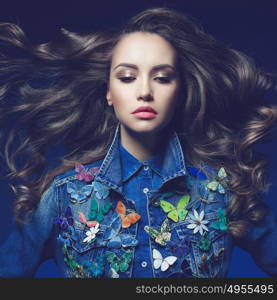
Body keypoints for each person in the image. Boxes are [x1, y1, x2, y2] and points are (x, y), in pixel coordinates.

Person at [0, 7, 276, 278]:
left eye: (162, 78)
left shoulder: (220, 192)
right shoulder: (62, 196)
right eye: (127, 77)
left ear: (181, 92)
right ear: (109, 91)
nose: (145, 91)